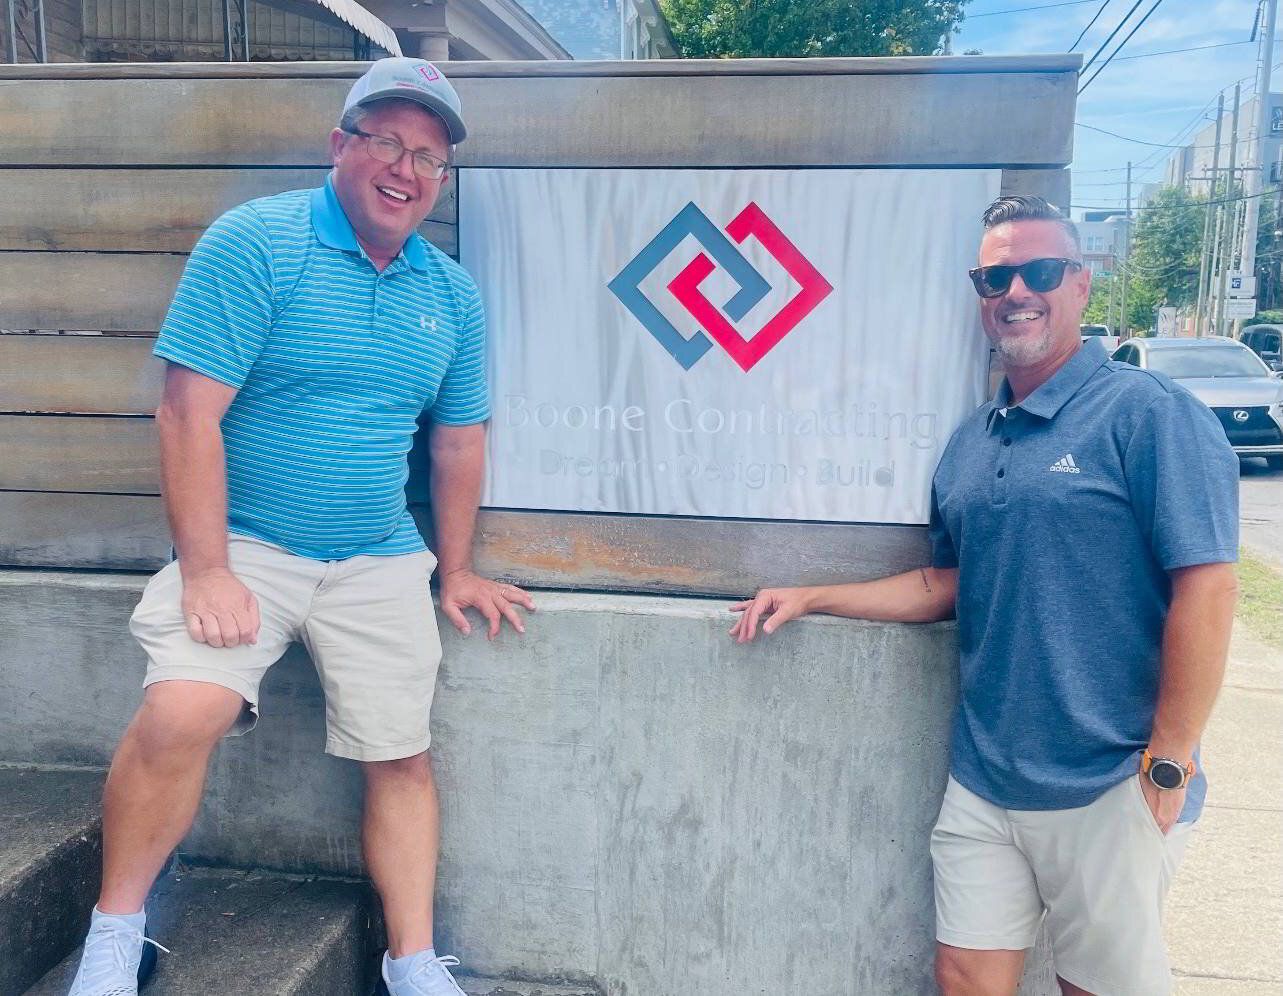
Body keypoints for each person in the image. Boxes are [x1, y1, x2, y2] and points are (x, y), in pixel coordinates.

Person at [67, 57, 531, 996]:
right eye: (386, 141)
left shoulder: (451, 294)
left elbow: (457, 441)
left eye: (429, 157)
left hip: (377, 557)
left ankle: (411, 963)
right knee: (183, 708)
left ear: (442, 178)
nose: (405, 169)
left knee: (400, 753)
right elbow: (187, 413)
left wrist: (455, 569)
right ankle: (115, 935)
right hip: (245, 544)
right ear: (339, 145)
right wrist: (206, 570)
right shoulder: (256, 241)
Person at [730, 195, 1240, 996]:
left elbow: (1207, 584)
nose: (1015, 292)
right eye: (994, 277)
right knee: (964, 978)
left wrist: (1168, 762)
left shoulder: (1147, 414)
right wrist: (813, 595)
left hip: (1109, 777)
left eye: (1040, 271)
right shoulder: (973, 440)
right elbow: (945, 582)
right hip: (984, 776)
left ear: (1080, 284)